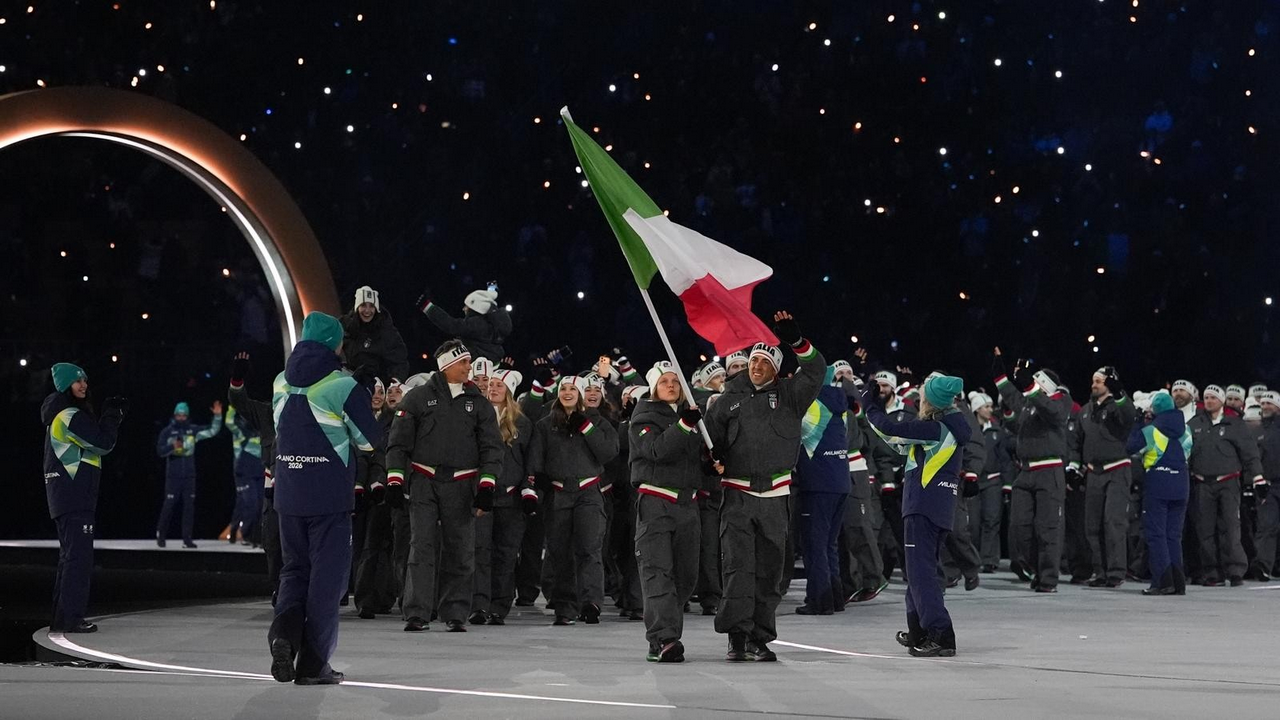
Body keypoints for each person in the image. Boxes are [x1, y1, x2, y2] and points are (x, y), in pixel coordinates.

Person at [268, 312, 382, 686]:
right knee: (326, 581)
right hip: (329, 498)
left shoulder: (281, 381)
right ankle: (313, 664)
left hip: (288, 494)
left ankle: (283, 636)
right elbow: (369, 442)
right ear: (336, 343)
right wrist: (362, 394)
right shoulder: (341, 385)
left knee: (293, 571)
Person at [704, 311, 824, 662]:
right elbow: (707, 445)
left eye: (765, 362)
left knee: (771, 571)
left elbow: (816, 371)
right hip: (737, 495)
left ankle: (760, 636)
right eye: (754, 360)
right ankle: (737, 636)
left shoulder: (791, 396)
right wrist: (711, 459)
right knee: (738, 568)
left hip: (775, 496)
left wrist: (797, 342)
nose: (757, 366)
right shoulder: (727, 399)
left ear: (776, 369)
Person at [388, 340, 505, 632]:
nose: (469, 367)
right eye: (463, 362)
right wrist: (395, 480)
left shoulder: (478, 402)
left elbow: (492, 447)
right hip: (424, 481)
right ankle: (417, 612)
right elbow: (398, 442)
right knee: (421, 547)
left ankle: (455, 612)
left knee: (461, 550)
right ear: (447, 365)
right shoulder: (417, 398)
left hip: (462, 484)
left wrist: (487, 486)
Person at [862, 373, 971, 657]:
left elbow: (889, 430)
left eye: (922, 397)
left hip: (923, 506)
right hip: (937, 507)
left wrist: (869, 405)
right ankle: (920, 630)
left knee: (921, 575)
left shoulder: (935, 429)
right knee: (920, 571)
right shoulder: (945, 428)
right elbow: (898, 442)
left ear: (931, 401)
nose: (918, 401)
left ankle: (940, 634)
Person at [629, 362, 706, 662]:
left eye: (675, 380)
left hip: (688, 505)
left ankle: (666, 632)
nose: (671, 385)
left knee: (686, 575)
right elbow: (657, 450)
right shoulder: (643, 416)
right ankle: (664, 639)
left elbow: (696, 457)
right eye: (664, 381)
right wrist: (684, 426)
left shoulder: (692, 417)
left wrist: (711, 463)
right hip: (656, 503)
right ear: (653, 387)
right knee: (657, 572)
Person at [42, 363, 127, 633]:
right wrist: (111, 416)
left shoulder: (59, 416)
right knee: (78, 559)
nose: (84, 385)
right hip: (75, 495)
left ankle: (62, 619)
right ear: (65, 385)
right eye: (77, 381)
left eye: (85, 380)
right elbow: (103, 444)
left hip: (66, 496)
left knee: (69, 558)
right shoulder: (69, 415)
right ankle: (71, 619)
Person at [529, 375, 620, 625]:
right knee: (560, 552)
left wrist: (587, 427)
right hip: (558, 495)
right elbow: (536, 459)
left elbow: (608, 453)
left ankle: (591, 602)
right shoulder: (545, 424)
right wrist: (537, 484)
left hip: (588, 493)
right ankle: (564, 606)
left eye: (573, 389)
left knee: (589, 548)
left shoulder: (598, 422)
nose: (567, 393)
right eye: (563, 389)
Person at [992, 349, 1071, 592]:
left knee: (1048, 528)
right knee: (1019, 527)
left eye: (1036, 380)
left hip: (1049, 470)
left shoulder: (1060, 400)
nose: (1032, 383)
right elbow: (1013, 402)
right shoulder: (1030, 404)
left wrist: (1030, 387)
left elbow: (1053, 413)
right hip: (1025, 472)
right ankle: (1035, 568)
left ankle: (1048, 578)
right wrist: (1000, 377)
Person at [472, 369, 535, 625]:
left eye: (499, 385)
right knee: (479, 552)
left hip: (510, 499)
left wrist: (527, 488)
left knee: (506, 554)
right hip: (482, 496)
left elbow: (529, 460)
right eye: (491, 384)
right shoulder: (475, 417)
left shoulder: (522, 423)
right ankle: (478, 605)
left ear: (509, 390)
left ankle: (499, 606)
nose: (493, 389)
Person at [1188, 382, 1264, 586]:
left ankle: (1235, 570)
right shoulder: (1195, 424)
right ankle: (1212, 572)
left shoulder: (1235, 424)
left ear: (1221, 400)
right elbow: (1186, 451)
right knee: (1205, 530)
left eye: (1213, 397)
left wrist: (1257, 476)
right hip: (1202, 483)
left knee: (1230, 527)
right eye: (1206, 397)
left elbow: (1249, 453)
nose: (1209, 401)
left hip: (1228, 482)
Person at [793, 366, 851, 615]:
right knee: (829, 544)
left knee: (814, 545)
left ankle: (820, 600)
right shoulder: (840, 405)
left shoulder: (812, 405)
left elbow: (792, 434)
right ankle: (835, 598)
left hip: (817, 483)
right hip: (840, 480)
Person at [1074, 367, 1138, 587]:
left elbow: (1129, 416)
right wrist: (1075, 466)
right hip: (1094, 472)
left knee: (1113, 522)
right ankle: (1100, 571)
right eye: (1093, 381)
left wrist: (1120, 394)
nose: (1094, 385)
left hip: (1116, 469)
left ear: (1109, 384)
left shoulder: (1117, 407)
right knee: (1092, 525)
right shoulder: (1085, 410)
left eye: (1099, 381)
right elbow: (1076, 441)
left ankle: (1116, 572)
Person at [1127, 391, 1193, 595]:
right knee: (1174, 535)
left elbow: (1130, 446)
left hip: (1158, 482)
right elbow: (1188, 451)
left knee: (1156, 534)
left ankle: (1163, 581)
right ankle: (1178, 583)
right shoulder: (1187, 430)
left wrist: (1138, 422)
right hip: (1181, 482)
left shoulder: (1151, 431)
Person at [228, 352, 282, 598]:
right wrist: (237, 380)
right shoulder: (266, 414)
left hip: (300, 486)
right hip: (272, 489)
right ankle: (278, 586)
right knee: (272, 540)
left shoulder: (307, 412)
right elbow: (239, 402)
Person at [155, 400, 224, 548]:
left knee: (189, 507)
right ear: (174, 415)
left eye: (183, 415)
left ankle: (187, 539)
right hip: (173, 476)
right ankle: (161, 535)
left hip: (189, 476)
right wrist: (172, 446)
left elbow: (212, 431)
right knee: (169, 505)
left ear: (187, 416)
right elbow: (160, 451)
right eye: (178, 415)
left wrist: (217, 416)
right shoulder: (167, 432)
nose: (181, 418)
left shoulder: (193, 430)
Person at [968, 392, 1009, 573]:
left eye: (991, 406)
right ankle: (972, 558)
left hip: (993, 480)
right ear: (977, 409)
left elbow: (1005, 459)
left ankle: (990, 559)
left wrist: (1007, 483)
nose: (990, 410)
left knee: (991, 520)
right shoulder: (969, 430)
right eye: (986, 407)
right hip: (973, 480)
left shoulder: (997, 431)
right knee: (972, 522)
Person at [417, 284, 512, 362]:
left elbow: (451, 325)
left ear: (475, 307)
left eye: (467, 306)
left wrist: (427, 307)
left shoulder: (477, 324)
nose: (464, 309)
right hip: (491, 362)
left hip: (477, 367)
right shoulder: (492, 323)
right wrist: (491, 289)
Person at [340, 286, 409, 383]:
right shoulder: (346, 325)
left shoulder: (386, 330)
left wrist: (394, 382)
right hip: (351, 380)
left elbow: (400, 361)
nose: (367, 310)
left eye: (371, 306)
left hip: (378, 384)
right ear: (357, 307)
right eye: (363, 305)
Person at [227, 404, 264, 545]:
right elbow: (229, 422)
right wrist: (233, 403)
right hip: (242, 472)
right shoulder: (240, 432)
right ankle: (246, 535)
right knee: (249, 504)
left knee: (252, 504)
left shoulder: (261, 432)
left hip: (258, 473)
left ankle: (243, 531)